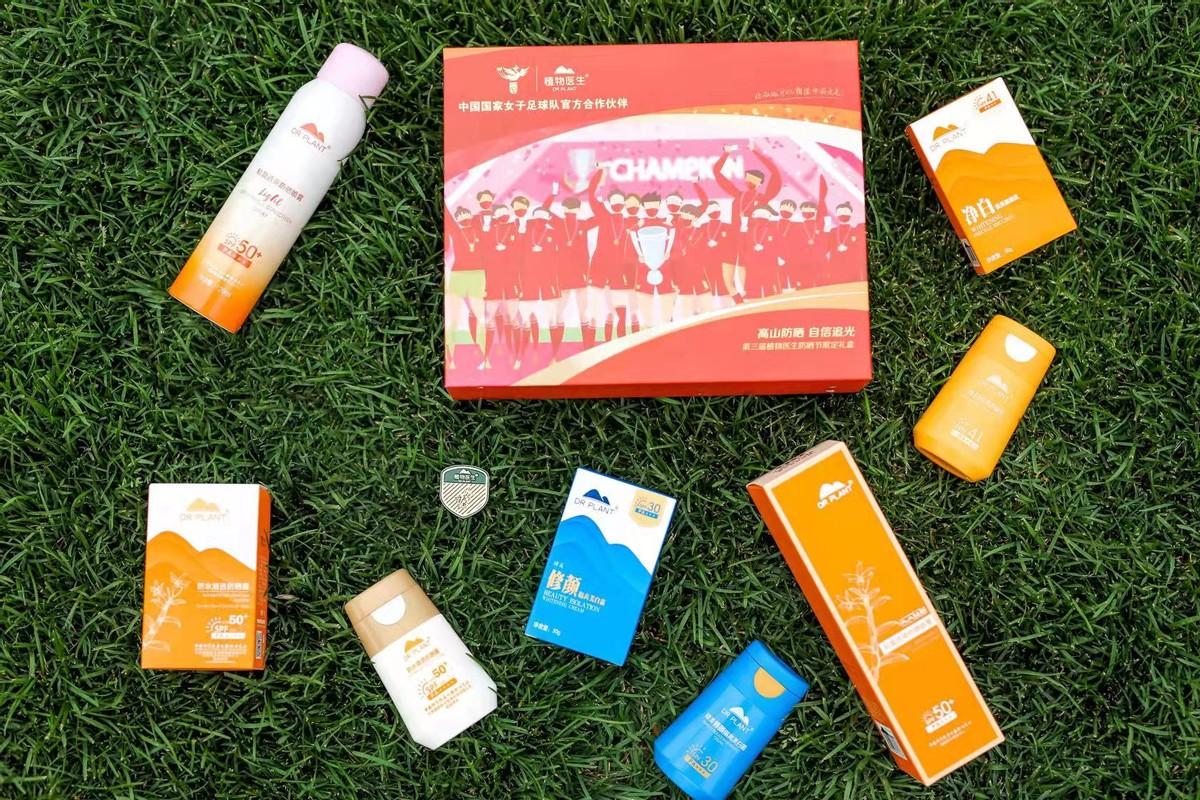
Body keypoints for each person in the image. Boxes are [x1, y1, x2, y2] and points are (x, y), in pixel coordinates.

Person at [587, 168, 634, 343]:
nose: (617, 204)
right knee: (593, 311)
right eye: (614, 201)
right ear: (608, 202)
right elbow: (591, 194)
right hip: (599, 268)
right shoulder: (603, 214)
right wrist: (600, 172)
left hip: (619, 272)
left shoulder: (630, 222)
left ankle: (620, 346)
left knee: (620, 311)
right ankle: (591, 349)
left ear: (624, 204)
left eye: (620, 201)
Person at [553, 197, 598, 352]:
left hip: (575, 273)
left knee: (567, 313)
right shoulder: (581, 223)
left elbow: (544, 210)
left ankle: (557, 353)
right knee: (579, 313)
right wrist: (593, 195)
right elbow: (601, 216)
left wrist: (553, 195)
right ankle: (587, 350)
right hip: (572, 273)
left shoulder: (561, 222)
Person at [445, 205, 485, 369]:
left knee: (480, 316)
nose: (463, 217)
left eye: (466, 214)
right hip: (458, 275)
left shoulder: (479, 230)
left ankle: (485, 357)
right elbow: (448, 215)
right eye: (460, 216)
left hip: (477, 276)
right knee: (452, 317)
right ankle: (450, 360)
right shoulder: (455, 230)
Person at [668, 204, 710, 319]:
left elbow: (705, 254)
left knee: (706, 305)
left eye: (689, 214)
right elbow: (670, 256)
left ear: (695, 218)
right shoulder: (674, 233)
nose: (686, 216)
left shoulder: (701, 232)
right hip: (681, 275)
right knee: (685, 305)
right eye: (684, 214)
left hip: (699, 274)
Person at [739, 204, 782, 300]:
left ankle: (771, 296)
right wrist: (743, 230)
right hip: (752, 260)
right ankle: (752, 296)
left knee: (769, 283)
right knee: (752, 281)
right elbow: (743, 245)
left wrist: (778, 256)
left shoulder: (773, 230)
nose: (761, 218)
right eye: (759, 214)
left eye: (763, 215)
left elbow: (778, 244)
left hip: (768, 261)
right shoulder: (748, 229)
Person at [699, 199, 736, 310]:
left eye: (716, 208)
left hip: (724, 263)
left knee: (725, 288)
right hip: (707, 263)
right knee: (707, 290)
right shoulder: (702, 227)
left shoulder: (727, 227)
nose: (714, 211)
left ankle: (728, 311)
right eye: (711, 209)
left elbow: (732, 246)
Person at [827, 200, 866, 282]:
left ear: (851, 214)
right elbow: (827, 247)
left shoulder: (856, 230)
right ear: (836, 214)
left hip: (851, 263)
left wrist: (848, 248)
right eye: (840, 212)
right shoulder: (832, 231)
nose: (843, 214)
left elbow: (860, 248)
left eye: (845, 212)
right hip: (835, 264)